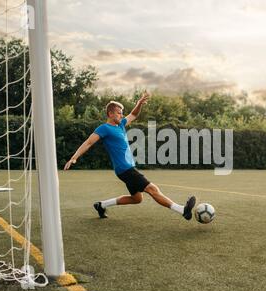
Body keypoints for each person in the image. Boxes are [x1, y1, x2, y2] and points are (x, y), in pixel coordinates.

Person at [63, 92, 196, 220]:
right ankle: (182, 210)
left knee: (137, 199)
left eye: (121, 113)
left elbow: (133, 114)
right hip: (124, 169)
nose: (121, 115)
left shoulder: (120, 125)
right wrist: (74, 157)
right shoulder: (104, 128)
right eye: (119, 113)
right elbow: (88, 142)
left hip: (126, 168)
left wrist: (139, 103)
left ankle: (101, 205)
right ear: (110, 113)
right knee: (152, 189)